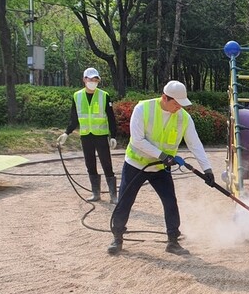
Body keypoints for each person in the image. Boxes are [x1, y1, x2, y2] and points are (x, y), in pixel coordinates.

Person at [108, 80, 215, 256]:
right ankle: (117, 238)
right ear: (165, 98)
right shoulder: (143, 109)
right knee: (125, 201)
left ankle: (173, 242)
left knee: (170, 202)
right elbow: (137, 140)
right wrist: (163, 156)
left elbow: (195, 144)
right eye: (176, 103)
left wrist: (207, 169)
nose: (179, 108)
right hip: (136, 165)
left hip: (160, 168)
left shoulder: (183, 118)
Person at [57, 67, 119, 204]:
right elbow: (74, 119)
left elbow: (111, 118)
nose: (93, 81)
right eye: (90, 79)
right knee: (90, 164)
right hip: (86, 136)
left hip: (101, 135)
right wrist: (66, 133)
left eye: (95, 79)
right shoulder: (77, 96)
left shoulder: (104, 95)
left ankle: (113, 195)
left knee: (107, 164)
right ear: (84, 79)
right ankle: (95, 193)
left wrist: (113, 136)